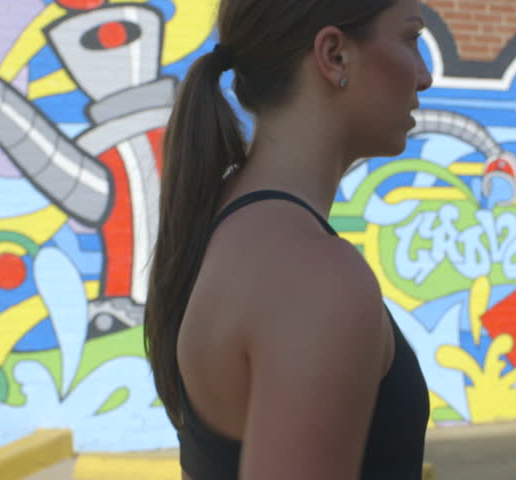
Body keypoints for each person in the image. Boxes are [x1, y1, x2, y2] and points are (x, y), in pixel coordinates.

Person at [144, 0, 433, 478]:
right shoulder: (314, 278)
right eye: (411, 38)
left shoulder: (228, 219)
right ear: (334, 55)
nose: (424, 76)